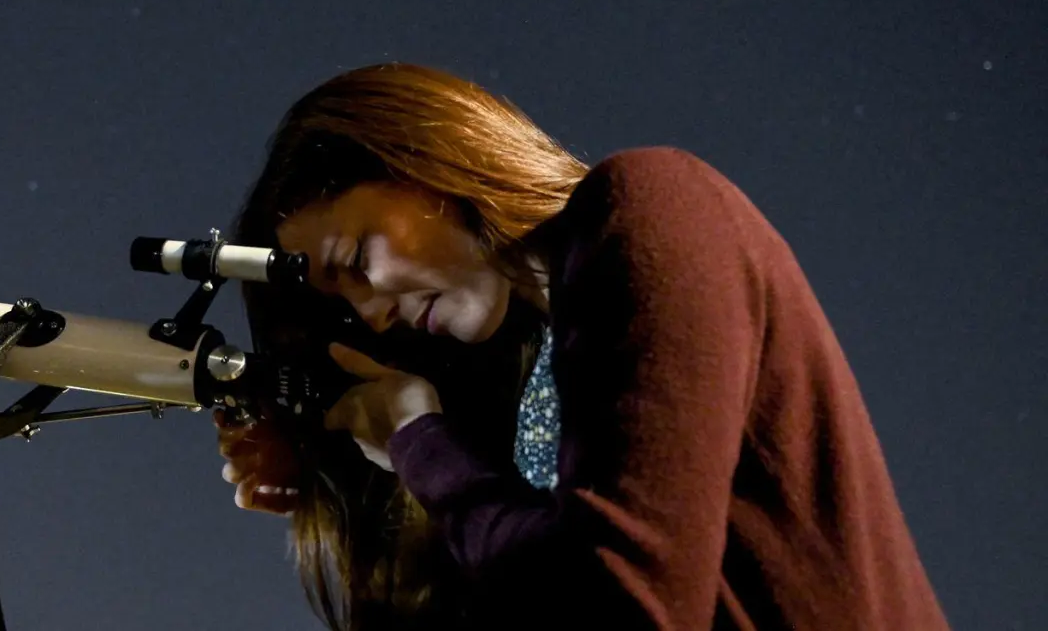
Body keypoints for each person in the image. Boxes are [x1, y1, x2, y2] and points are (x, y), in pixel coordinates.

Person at [216, 63, 950, 630]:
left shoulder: (653, 205)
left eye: (356, 259)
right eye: (343, 305)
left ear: (422, 160)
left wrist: (420, 442)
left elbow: (623, 608)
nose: (373, 316)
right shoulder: (538, 363)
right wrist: (338, 477)